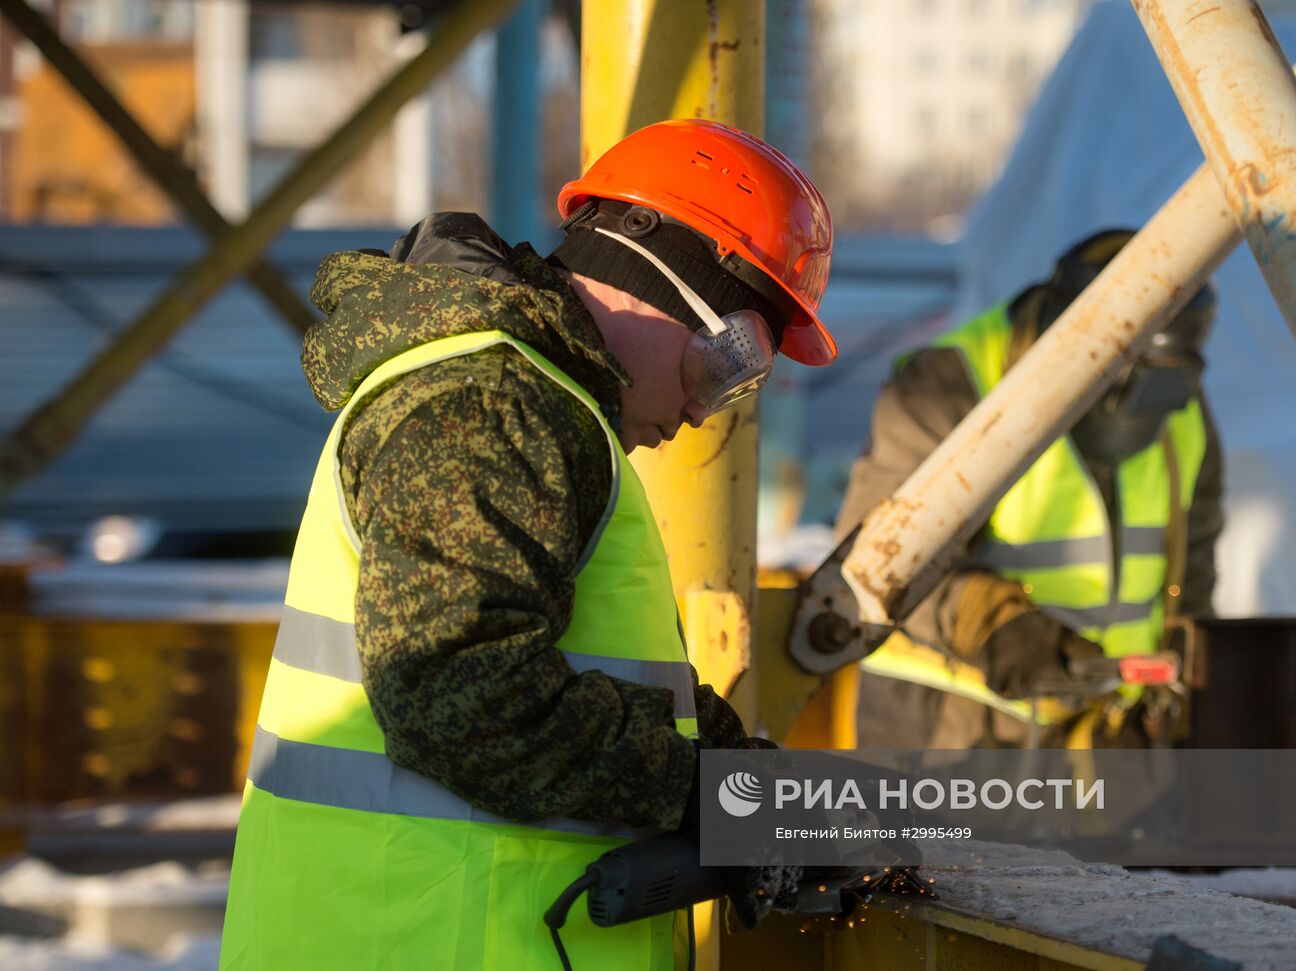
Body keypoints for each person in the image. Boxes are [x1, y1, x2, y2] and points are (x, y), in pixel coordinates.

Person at [219, 119, 836, 970]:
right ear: (663, 287)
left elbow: (581, 666)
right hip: (431, 944)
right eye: (732, 364)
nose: (704, 411)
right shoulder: (494, 402)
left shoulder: (537, 407)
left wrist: (755, 784)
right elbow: (465, 695)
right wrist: (706, 794)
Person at [838, 229, 1223, 749]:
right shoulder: (951, 384)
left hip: (1110, 734)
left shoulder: (1182, 408)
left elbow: (1190, 576)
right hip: (949, 736)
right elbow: (870, 566)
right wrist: (992, 622)